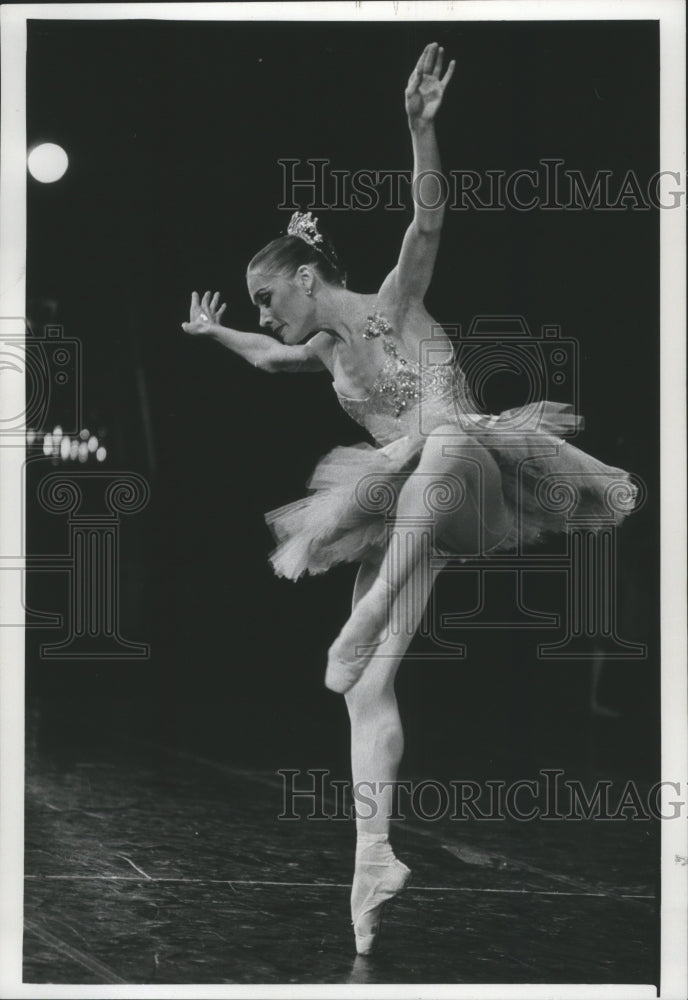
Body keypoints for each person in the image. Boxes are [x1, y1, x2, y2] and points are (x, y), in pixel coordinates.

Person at [182, 43, 638, 955]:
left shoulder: (396, 301)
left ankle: (375, 606)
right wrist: (216, 331)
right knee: (367, 688)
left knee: (446, 434)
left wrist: (420, 130)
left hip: (476, 484)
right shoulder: (321, 350)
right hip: (409, 509)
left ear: (308, 277)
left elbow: (427, 221)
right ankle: (373, 860)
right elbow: (271, 355)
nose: (269, 315)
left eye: (268, 298)